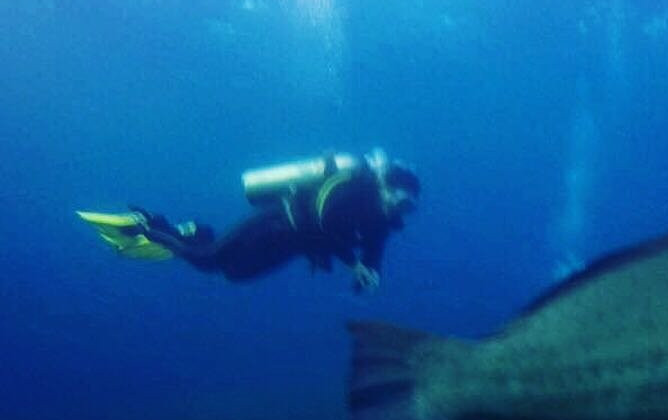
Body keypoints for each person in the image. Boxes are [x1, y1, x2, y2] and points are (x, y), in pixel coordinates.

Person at [77, 149, 419, 292]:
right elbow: (321, 218)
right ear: (386, 187)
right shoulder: (352, 188)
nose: (401, 208)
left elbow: (374, 251)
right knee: (205, 259)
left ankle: (196, 231)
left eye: (408, 207)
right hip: (275, 223)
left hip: (292, 247)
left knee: (233, 274)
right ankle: (143, 223)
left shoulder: (381, 221)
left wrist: (370, 274)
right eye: (400, 198)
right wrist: (350, 262)